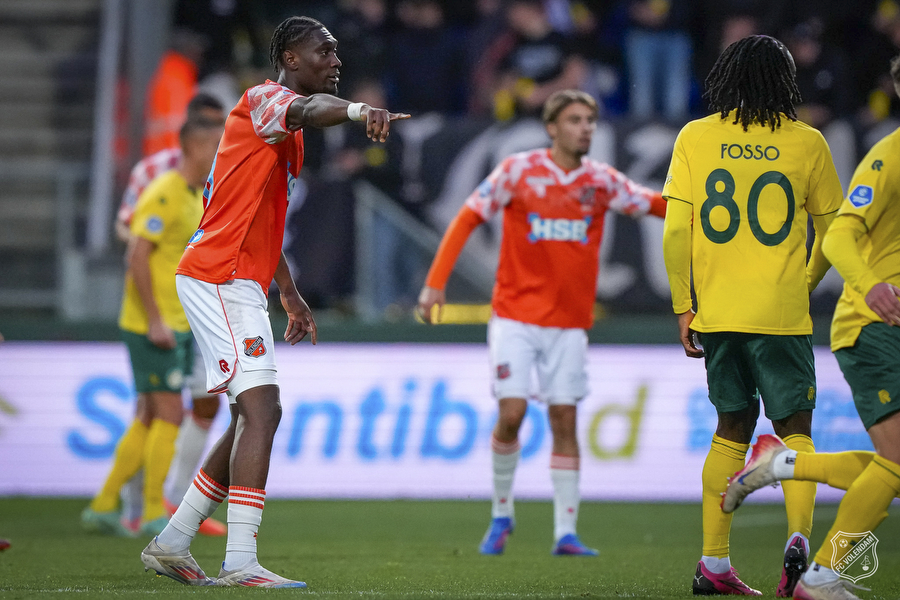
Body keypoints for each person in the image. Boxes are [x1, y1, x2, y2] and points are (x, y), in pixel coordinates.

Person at [140, 15, 409, 588]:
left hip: (237, 278)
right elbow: (310, 108)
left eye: (336, 52)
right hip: (218, 276)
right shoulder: (264, 100)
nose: (336, 61)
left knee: (253, 414)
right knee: (262, 410)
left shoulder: (286, 131)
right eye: (324, 51)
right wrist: (360, 111)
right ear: (290, 58)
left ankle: (173, 541)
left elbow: (263, 218)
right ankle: (239, 561)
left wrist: (287, 291)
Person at [417, 89, 666, 557]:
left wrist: (706, 209)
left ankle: (565, 533)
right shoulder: (518, 171)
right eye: (574, 120)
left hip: (569, 325)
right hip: (515, 318)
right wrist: (435, 284)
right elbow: (467, 217)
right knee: (511, 415)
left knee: (564, 420)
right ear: (552, 127)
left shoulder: (601, 181)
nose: (585, 128)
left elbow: (655, 204)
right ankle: (501, 514)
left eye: (589, 120)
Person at [661, 35, 843, 596]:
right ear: (785, 82)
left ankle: (713, 564)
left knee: (730, 432)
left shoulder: (695, 136)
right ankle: (798, 542)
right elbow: (834, 233)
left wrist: (683, 304)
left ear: (728, 77)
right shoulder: (807, 142)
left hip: (718, 314)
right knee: (795, 435)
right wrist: (803, 282)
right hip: (781, 315)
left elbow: (675, 230)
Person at [721, 53, 900, 600]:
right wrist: (868, 284)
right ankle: (821, 575)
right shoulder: (890, 156)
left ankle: (784, 462)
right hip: (875, 325)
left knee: (894, 465)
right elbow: (839, 233)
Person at [82, 116, 224, 537]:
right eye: (213, 146)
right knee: (170, 413)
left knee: (148, 414)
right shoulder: (163, 192)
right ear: (192, 147)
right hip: (153, 324)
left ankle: (104, 504)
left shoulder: (194, 195)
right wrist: (155, 320)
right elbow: (137, 257)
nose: (218, 153)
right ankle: (150, 512)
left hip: (177, 321)